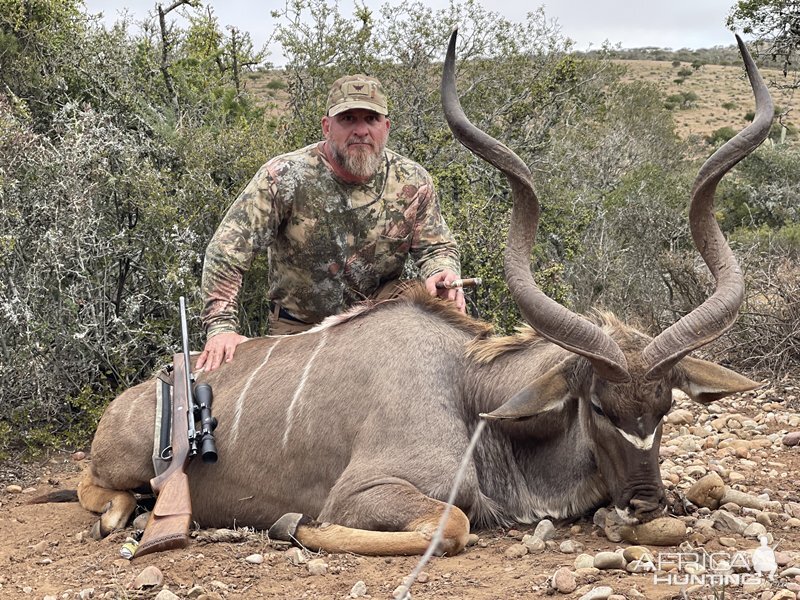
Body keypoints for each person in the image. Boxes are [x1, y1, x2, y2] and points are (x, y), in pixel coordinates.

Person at [197, 74, 464, 372]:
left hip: (377, 314)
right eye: (348, 119)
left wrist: (442, 271)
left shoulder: (413, 179)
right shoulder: (284, 176)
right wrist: (220, 327)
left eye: (371, 119)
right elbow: (226, 251)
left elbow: (437, 246)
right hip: (302, 326)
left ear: (386, 127)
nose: (361, 130)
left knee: (442, 314)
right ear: (327, 127)